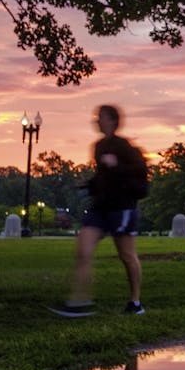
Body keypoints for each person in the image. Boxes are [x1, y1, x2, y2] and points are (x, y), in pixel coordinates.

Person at [51, 105, 149, 317]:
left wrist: (117, 166)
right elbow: (103, 176)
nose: (96, 121)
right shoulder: (97, 146)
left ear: (113, 121)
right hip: (100, 206)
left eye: (101, 117)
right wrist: (89, 184)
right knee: (83, 250)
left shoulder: (124, 146)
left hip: (122, 207)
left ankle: (135, 302)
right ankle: (79, 302)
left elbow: (141, 170)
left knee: (127, 256)